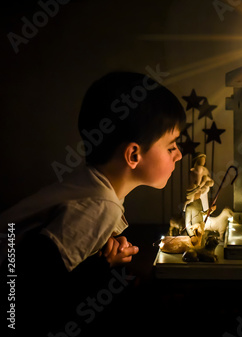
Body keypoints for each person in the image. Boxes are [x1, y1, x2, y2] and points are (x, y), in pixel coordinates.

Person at [0, 72, 185, 334]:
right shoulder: (100, 206)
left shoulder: (91, 185)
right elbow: (34, 284)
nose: (179, 154)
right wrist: (103, 267)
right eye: (171, 146)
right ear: (134, 154)